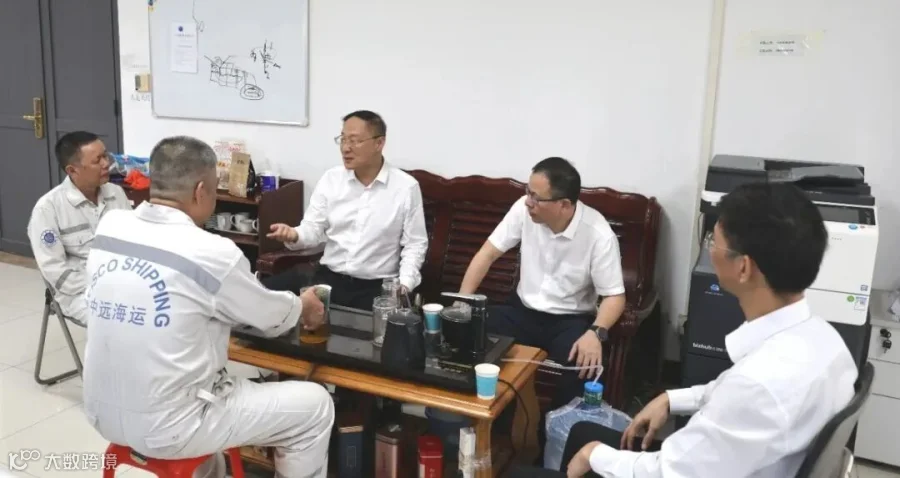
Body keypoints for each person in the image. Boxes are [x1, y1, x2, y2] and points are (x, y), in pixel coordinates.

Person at [520, 182, 858, 478]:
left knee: (562, 456)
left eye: (714, 241)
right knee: (583, 432)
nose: (709, 249)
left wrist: (596, 456)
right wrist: (673, 398)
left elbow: (670, 472)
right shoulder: (826, 342)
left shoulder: (758, 385)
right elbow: (734, 395)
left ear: (743, 268)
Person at [81, 136, 334, 478]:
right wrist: (303, 305)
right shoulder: (211, 252)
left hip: (102, 413)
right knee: (315, 406)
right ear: (201, 191)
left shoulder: (111, 226)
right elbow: (271, 318)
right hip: (175, 424)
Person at [459, 157, 626, 410]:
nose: (528, 202)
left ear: (564, 205)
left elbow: (614, 296)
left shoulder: (598, 235)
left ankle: (556, 432)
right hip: (522, 312)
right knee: (469, 333)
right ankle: (485, 422)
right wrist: (462, 303)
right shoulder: (523, 210)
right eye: (528, 192)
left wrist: (596, 333)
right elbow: (487, 254)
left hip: (569, 320)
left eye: (536, 198)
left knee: (585, 365)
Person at [265, 110, 428, 310]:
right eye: (342, 139)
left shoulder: (405, 187)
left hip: (375, 288)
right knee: (262, 295)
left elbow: (415, 245)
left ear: (379, 143)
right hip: (328, 278)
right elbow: (313, 230)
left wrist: (403, 286)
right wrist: (294, 234)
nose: (346, 148)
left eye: (354, 141)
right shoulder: (331, 179)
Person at [27, 131, 131, 326]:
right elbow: (55, 271)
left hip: (124, 282)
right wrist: (105, 285)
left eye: (105, 156)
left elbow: (133, 242)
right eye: (97, 160)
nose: (106, 164)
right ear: (72, 170)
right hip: (78, 292)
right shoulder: (48, 209)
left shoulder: (116, 193)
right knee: (121, 323)